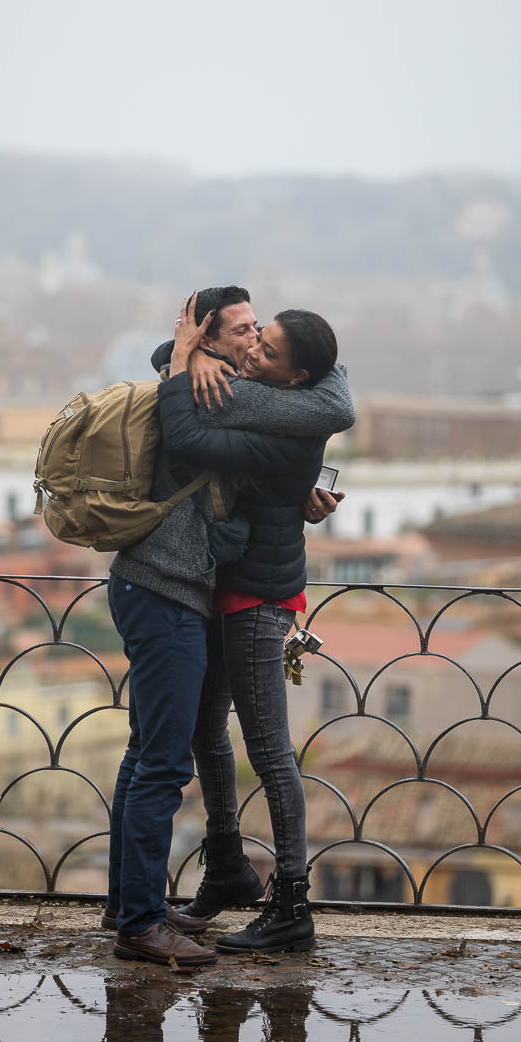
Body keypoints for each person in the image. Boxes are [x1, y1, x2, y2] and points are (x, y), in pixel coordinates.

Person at [105, 291, 353, 967]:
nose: (252, 346)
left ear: (295, 371)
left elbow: (337, 403)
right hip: (189, 588)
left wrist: (188, 358)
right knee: (181, 747)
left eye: (263, 339)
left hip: (248, 594)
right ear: (211, 338)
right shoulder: (223, 382)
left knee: (240, 750)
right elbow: (171, 380)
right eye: (245, 334)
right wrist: (183, 356)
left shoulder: (266, 399)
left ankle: (280, 900)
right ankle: (186, 887)